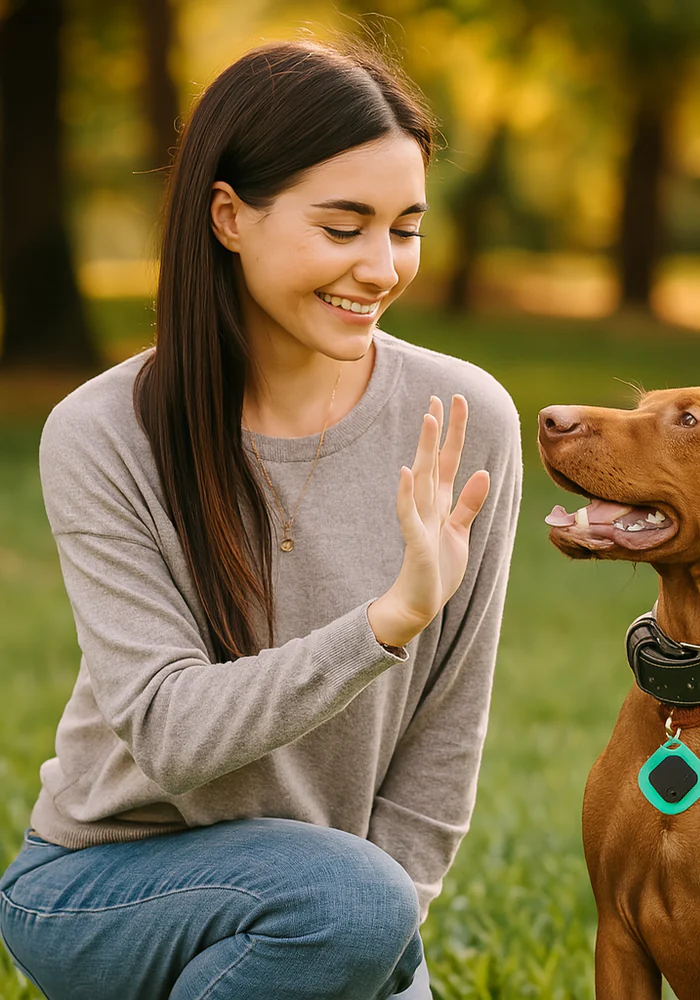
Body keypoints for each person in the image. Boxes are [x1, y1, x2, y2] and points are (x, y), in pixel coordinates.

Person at [0, 38, 522, 1000]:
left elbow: (449, 731)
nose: (379, 267)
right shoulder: (105, 432)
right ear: (230, 217)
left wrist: (378, 945)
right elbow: (166, 729)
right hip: (104, 885)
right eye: (343, 228)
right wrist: (385, 623)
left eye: (405, 229)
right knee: (347, 902)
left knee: (352, 907)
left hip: (337, 906)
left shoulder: (465, 420)